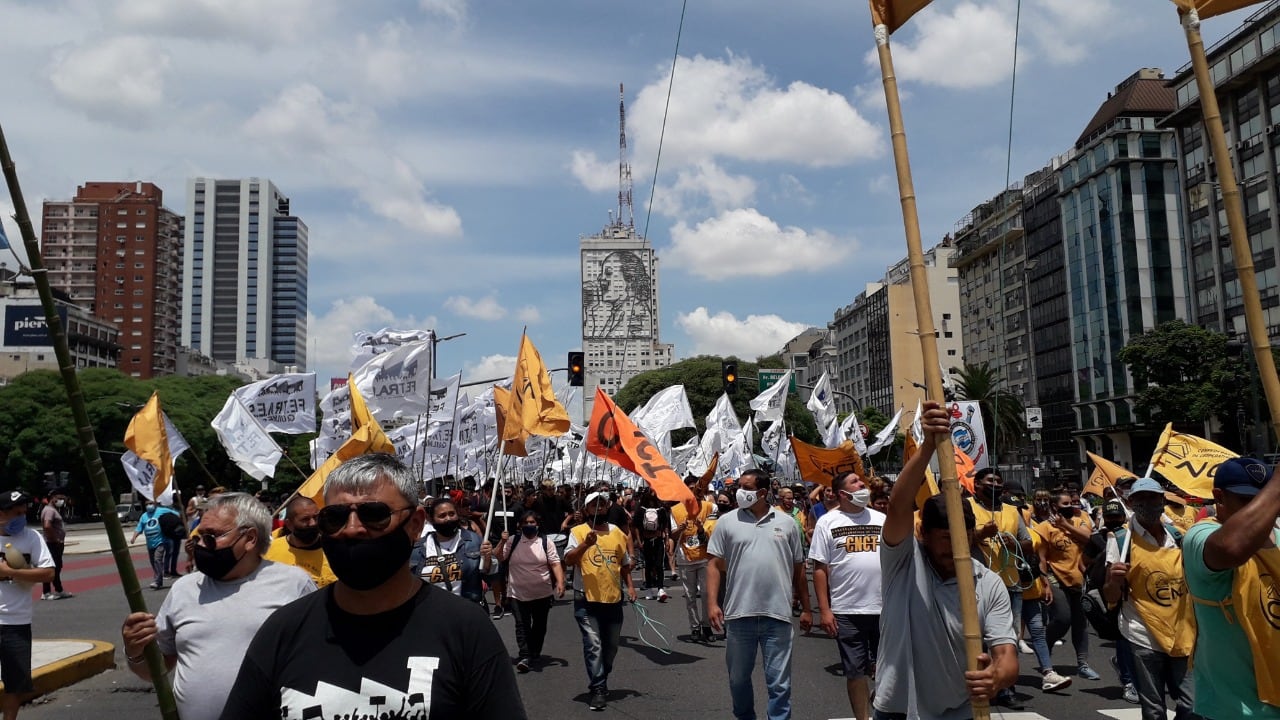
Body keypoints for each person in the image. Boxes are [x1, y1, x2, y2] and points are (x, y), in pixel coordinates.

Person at [219, 453, 527, 719]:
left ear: (416, 524)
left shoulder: (466, 629)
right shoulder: (283, 631)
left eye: (374, 514)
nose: (352, 529)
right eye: (335, 518)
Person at [875, 401, 1018, 720]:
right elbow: (898, 507)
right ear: (923, 533)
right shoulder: (903, 562)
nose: (953, 550)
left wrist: (996, 677)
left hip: (961, 711)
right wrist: (927, 445)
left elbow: (1006, 654)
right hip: (898, 708)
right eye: (943, 541)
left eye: (961, 540)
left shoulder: (988, 583)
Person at [121, 493, 315, 720]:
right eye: (199, 536)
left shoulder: (295, 585)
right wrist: (134, 652)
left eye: (212, 536)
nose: (201, 544)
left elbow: (320, 663)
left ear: (250, 538)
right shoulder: (184, 589)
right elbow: (157, 669)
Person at [707, 469, 811, 720]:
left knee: (779, 685)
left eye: (746, 487)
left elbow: (799, 568)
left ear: (763, 492)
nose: (739, 491)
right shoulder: (727, 521)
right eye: (739, 486)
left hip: (778, 615)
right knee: (738, 680)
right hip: (739, 614)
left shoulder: (787, 523)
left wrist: (807, 608)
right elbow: (713, 564)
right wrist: (711, 603)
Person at [1182, 456, 1280, 720]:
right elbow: (1231, 549)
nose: (1262, 509)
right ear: (1219, 498)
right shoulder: (1200, 536)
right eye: (1248, 502)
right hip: (1235, 710)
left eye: (1265, 501)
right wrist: (1276, 488)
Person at [1101, 478, 1197, 720]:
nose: (1148, 504)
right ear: (1130, 502)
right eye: (1141, 499)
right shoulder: (1121, 540)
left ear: (1163, 501)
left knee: (1192, 705)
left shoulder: (1178, 537)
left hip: (1182, 633)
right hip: (1142, 634)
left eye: (1153, 498)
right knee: (1154, 710)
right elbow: (1110, 596)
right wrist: (1113, 580)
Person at [810, 470, 885, 720]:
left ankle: (885, 708)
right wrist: (825, 610)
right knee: (855, 672)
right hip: (846, 611)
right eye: (855, 482)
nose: (862, 484)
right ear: (842, 493)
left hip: (884, 608)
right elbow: (819, 568)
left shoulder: (881, 519)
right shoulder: (827, 522)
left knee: (888, 670)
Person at [968, 468, 1039, 706]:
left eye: (999, 481)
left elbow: (1028, 544)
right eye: (990, 481)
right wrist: (980, 534)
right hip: (976, 583)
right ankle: (978, 686)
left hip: (1010, 583)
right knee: (975, 639)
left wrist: (1015, 542)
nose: (996, 485)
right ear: (977, 484)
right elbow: (958, 539)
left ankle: (1004, 688)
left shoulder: (1011, 510)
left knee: (1007, 639)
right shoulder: (966, 506)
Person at [563, 490, 637, 712]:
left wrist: (631, 581)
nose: (599, 508)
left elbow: (623, 565)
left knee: (611, 646)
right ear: (586, 510)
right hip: (586, 598)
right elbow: (568, 560)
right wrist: (585, 544)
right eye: (593, 505)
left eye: (602, 504)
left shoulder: (617, 533)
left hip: (613, 598)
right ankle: (598, 688)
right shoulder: (577, 532)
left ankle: (601, 676)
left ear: (608, 508)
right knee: (593, 644)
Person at [1035, 490, 1101, 680]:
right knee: (1063, 618)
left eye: (1073, 503)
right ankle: (1045, 651)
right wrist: (1044, 581)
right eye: (1065, 504)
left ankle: (1083, 664)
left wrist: (1065, 525)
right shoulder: (1044, 527)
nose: (1071, 506)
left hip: (1080, 579)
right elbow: (1041, 557)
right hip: (1056, 577)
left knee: (1080, 623)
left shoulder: (1082, 520)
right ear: (1055, 507)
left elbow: (1090, 539)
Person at [0, 490, 55, 720]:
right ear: (1, 514)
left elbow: (49, 573)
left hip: (17, 621)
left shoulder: (31, 538)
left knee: (15, 684)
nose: (22, 517)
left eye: (24, 512)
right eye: (16, 513)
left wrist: (11, 572)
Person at [497, 509, 564, 672]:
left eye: (532, 522)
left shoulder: (545, 542)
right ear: (520, 525)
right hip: (517, 593)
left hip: (542, 593)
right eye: (525, 523)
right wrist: (501, 541)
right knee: (522, 625)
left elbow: (555, 563)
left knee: (539, 626)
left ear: (538, 524)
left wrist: (561, 582)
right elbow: (499, 557)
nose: (529, 525)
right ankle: (524, 655)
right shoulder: (513, 541)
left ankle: (534, 651)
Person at [412, 497, 496, 605]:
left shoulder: (473, 541)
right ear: (432, 519)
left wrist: (488, 559)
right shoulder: (417, 549)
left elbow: (490, 577)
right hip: (431, 612)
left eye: (452, 514)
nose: (448, 519)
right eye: (442, 516)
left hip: (466, 610)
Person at [671, 477, 718, 641]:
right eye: (691, 488)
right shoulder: (676, 510)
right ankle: (694, 627)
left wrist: (700, 528)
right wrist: (680, 529)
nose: (695, 490)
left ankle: (707, 626)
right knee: (690, 596)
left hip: (705, 557)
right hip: (685, 558)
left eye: (698, 487)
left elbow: (714, 532)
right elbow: (672, 534)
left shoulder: (711, 507)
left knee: (706, 593)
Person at [263, 496, 337, 587]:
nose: (313, 523)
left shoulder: (335, 551)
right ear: (289, 524)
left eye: (316, 517)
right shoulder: (268, 551)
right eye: (305, 519)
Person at [130, 498, 180, 589]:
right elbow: (139, 528)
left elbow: (176, 514)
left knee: (157, 560)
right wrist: (134, 537)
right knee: (153, 563)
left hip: (161, 542)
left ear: (155, 504)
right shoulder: (144, 516)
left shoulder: (161, 511)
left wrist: (173, 525)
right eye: (147, 504)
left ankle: (157, 581)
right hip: (150, 543)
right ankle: (159, 580)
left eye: (151, 503)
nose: (149, 505)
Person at [633, 489, 671, 602]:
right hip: (647, 541)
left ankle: (660, 588)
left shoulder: (661, 510)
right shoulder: (641, 511)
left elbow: (665, 526)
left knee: (659, 565)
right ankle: (649, 588)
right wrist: (639, 541)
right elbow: (636, 527)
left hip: (658, 540)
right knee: (648, 565)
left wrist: (667, 540)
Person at [39, 492, 71, 600]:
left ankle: (59, 589)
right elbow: (47, 526)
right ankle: (46, 592)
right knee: (52, 567)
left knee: (56, 567)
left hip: (54, 543)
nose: (62, 500)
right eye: (60, 498)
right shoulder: (49, 510)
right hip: (52, 543)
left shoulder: (52, 510)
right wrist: (56, 539)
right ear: (53, 498)